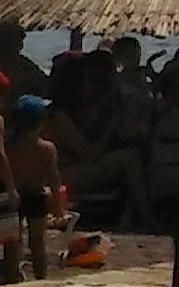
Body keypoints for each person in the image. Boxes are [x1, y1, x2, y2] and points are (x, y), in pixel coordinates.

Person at [46, 49, 153, 228]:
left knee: (133, 154)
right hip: (65, 175)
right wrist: (113, 122)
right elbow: (89, 155)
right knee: (130, 158)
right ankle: (147, 217)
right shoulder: (59, 117)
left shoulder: (78, 110)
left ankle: (128, 216)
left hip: (74, 169)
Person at [4, 96, 57, 281]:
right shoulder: (47, 149)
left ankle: (12, 276)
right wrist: (58, 205)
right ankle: (41, 277)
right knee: (38, 242)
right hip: (37, 195)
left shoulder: (8, 147)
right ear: (40, 123)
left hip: (15, 195)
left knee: (13, 243)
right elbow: (54, 179)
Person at [0, 22, 47, 100]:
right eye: (19, 41)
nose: (21, 45)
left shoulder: (24, 65)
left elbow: (43, 83)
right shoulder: (23, 66)